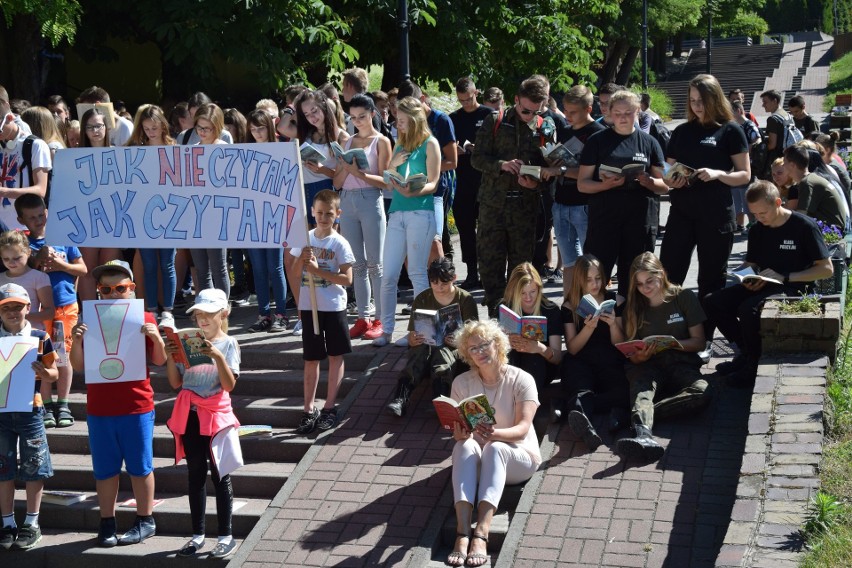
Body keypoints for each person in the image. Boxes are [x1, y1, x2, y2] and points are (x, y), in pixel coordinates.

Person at [69, 260, 168, 547]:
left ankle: (145, 520)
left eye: (119, 288)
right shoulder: (89, 321)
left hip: (137, 406)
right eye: (105, 289)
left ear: (132, 289)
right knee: (105, 470)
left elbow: (160, 360)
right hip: (100, 409)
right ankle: (107, 523)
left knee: (141, 467)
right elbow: (79, 366)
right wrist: (76, 341)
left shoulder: (145, 318)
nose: (112, 294)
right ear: (98, 291)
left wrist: (156, 338)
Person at [705, 181, 833, 385]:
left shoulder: (804, 226)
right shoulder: (757, 229)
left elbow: (826, 269)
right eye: (754, 214)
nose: (758, 218)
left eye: (762, 213)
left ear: (778, 203)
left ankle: (753, 365)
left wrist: (786, 277)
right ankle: (746, 353)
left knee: (749, 310)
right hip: (763, 284)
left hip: (794, 287)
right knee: (713, 301)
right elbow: (751, 263)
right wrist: (746, 277)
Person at [446, 319, 540, 567]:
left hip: (519, 456)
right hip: (480, 455)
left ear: (497, 344)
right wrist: (460, 435)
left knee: (496, 447)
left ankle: (482, 533)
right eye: (473, 349)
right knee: (462, 446)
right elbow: (464, 432)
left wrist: (493, 435)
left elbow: (522, 430)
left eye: (484, 345)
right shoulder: (461, 383)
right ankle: (463, 532)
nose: (479, 352)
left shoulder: (522, 379)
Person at [661, 74, 750, 326]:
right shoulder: (681, 131)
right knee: (670, 271)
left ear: (714, 99)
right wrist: (672, 180)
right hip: (682, 213)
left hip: (716, 215)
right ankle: (673, 326)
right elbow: (668, 173)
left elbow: (744, 174)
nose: (697, 106)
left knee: (711, 278)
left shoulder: (730, 130)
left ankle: (707, 335)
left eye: (701, 100)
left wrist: (719, 174)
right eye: (692, 100)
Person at [164, 289, 242, 560]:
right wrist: (170, 356)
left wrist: (216, 356)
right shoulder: (189, 341)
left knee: (221, 476)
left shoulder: (229, 343)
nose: (203, 319)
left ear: (223, 313)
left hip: (217, 416)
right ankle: (198, 535)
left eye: (208, 314)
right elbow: (175, 383)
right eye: (198, 314)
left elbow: (230, 385)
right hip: (191, 415)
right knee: (195, 474)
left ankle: (226, 536)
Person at [471, 75, 554, 315]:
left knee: (521, 271)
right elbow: (477, 159)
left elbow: (550, 169)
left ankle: (519, 321)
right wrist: (502, 164)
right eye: (526, 110)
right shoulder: (494, 120)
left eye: (536, 112)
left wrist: (534, 183)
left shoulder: (545, 126)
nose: (530, 116)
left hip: (524, 209)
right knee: (490, 266)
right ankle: (496, 319)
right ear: (516, 100)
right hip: (492, 207)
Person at [616, 253, 710, 462]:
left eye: (649, 281)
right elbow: (633, 357)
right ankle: (643, 436)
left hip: (680, 361)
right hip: (649, 364)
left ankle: (637, 416)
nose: (645, 288)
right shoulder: (634, 306)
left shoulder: (683, 296)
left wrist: (675, 343)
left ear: (662, 273)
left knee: (702, 392)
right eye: (639, 284)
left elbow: (699, 342)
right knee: (642, 390)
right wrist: (640, 356)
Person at [578, 90, 669, 298]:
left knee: (635, 276)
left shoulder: (649, 142)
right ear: (609, 112)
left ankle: (630, 324)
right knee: (596, 274)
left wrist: (649, 181)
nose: (622, 117)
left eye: (628, 112)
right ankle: (592, 324)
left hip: (639, 218)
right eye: (617, 113)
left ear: (637, 112)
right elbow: (582, 184)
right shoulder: (597, 141)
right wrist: (605, 185)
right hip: (605, 217)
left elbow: (664, 185)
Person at [373, 96, 441, 346]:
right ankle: (387, 331)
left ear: (414, 120)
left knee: (416, 273)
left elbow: (434, 183)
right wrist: (392, 165)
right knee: (388, 274)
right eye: (396, 120)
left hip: (420, 213)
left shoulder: (430, 143)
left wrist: (413, 190)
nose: (397, 125)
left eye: (401, 121)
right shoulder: (400, 144)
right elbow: (388, 178)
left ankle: (421, 334)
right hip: (397, 213)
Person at [18, 194, 87, 431]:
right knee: (43, 356)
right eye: (32, 217)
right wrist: (38, 258)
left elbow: (82, 269)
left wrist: (61, 265)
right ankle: (45, 404)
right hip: (39, 309)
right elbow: (25, 270)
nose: (38, 220)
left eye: (41, 214)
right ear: (21, 219)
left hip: (65, 306)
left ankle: (63, 403)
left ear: (47, 212)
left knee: (63, 355)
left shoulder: (63, 238)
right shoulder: (24, 244)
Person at [290, 190, 355, 434]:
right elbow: (296, 274)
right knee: (311, 357)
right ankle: (308, 409)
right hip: (310, 306)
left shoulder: (340, 243)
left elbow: (347, 279)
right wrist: (302, 261)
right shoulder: (305, 239)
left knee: (336, 355)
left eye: (329, 213)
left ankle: (329, 406)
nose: (323, 218)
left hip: (333, 306)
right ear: (313, 213)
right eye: (319, 213)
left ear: (338, 214)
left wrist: (318, 271)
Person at [0, 283, 58, 551]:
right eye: (6, 308)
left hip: (31, 409)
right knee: (3, 468)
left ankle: (32, 523)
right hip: (1, 412)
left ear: (28, 307)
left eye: (17, 306)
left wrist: (46, 375)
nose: (12, 312)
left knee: (34, 464)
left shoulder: (39, 336)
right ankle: (7, 522)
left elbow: (54, 371)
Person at [331, 94, 392, 341]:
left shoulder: (382, 141)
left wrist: (359, 172)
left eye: (362, 117)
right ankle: (363, 317)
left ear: (372, 115)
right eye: (353, 118)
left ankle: (381, 318)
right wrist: (346, 169)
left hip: (370, 199)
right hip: (347, 200)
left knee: (375, 264)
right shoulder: (347, 142)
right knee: (356, 264)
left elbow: (387, 183)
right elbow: (335, 182)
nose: (358, 122)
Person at [386, 257, 479, 416]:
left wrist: (459, 341)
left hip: (455, 352)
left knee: (442, 352)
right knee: (420, 349)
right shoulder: (423, 298)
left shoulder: (465, 299)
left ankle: (440, 400)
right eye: (434, 283)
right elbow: (411, 335)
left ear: (454, 279)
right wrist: (413, 339)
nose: (439, 288)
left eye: (444, 284)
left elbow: (474, 337)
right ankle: (400, 399)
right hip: (426, 348)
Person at [541, 85, 606, 297]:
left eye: (572, 112)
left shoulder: (599, 135)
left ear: (588, 109)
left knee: (592, 263)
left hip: (586, 205)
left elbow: (594, 174)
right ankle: (569, 307)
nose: (567, 116)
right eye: (565, 111)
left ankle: (594, 305)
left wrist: (560, 169)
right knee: (569, 263)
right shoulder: (565, 130)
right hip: (560, 203)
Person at [561, 255, 628, 450]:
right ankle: (586, 427)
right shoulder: (570, 305)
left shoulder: (616, 300)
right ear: (580, 280)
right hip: (582, 359)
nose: (595, 284)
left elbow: (621, 343)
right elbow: (573, 348)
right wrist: (588, 328)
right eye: (589, 280)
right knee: (580, 387)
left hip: (609, 357)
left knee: (624, 389)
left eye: (598, 278)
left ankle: (578, 407)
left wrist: (613, 324)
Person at [125, 105, 178, 331]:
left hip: (169, 213)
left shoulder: (175, 149)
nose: (151, 132)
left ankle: (168, 310)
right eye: (146, 128)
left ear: (163, 125)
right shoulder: (136, 150)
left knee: (167, 263)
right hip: (142, 214)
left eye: (154, 127)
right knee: (147, 264)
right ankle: (152, 310)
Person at [397, 80, 458, 263]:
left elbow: (453, 162)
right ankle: (423, 286)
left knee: (434, 240)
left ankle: (444, 283)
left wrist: (425, 165)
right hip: (411, 189)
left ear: (422, 99)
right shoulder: (406, 123)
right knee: (410, 243)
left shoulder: (441, 120)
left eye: (413, 105)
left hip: (436, 189)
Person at [243, 109, 290, 334]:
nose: (256, 133)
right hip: (252, 216)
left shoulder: (281, 148)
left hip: (274, 216)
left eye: (260, 128)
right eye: (252, 129)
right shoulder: (245, 151)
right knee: (259, 269)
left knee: (275, 267)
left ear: (269, 127)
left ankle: (281, 314)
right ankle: (264, 314)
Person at [450, 77, 493, 291]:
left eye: (468, 99)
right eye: (461, 100)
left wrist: (480, 149)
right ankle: (471, 273)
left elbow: (497, 148)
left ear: (476, 92)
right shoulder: (454, 118)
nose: (465, 104)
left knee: (487, 229)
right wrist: (454, 151)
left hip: (485, 181)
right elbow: (445, 148)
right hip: (463, 182)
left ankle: (489, 272)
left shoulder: (488, 115)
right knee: (466, 230)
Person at [77, 107, 122, 301]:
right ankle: (89, 314)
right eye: (89, 127)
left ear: (106, 127)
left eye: (99, 126)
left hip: (113, 219)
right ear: (84, 131)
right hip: (86, 220)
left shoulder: (119, 155)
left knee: (110, 271)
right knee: (87, 270)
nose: (95, 130)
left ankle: (110, 315)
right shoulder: (75, 157)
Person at [501, 263, 562, 396]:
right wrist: (506, 341)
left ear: (539, 289)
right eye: (522, 293)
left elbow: (557, 357)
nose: (528, 298)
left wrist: (540, 348)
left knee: (532, 356)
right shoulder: (505, 308)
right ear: (514, 291)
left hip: (541, 365)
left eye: (532, 292)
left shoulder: (551, 310)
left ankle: (527, 405)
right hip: (513, 361)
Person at [190, 103, 231, 299]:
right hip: (195, 215)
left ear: (217, 127)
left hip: (217, 214)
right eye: (199, 127)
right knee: (201, 269)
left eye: (207, 128)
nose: (202, 132)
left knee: (218, 267)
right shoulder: (192, 149)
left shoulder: (223, 148)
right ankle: (206, 307)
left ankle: (222, 311)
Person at [294, 89, 348, 227]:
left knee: (326, 238)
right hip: (304, 189)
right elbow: (282, 126)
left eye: (314, 111)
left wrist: (322, 169)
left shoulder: (342, 137)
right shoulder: (306, 133)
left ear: (324, 106)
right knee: (309, 240)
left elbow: (344, 176)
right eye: (306, 114)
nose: (312, 117)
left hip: (327, 190)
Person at [0, 103, 50, 231]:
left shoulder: (35, 145)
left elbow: (40, 190)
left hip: (25, 229)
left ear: (9, 118)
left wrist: (3, 191)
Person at [783, 144, 847, 229]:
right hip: (833, 228)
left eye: (784, 163)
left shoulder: (807, 182)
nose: (783, 166)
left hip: (830, 232)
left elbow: (802, 216)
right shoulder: (812, 178)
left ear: (792, 165)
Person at [731, 100, 762, 231]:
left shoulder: (749, 125)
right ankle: (739, 224)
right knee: (736, 198)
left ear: (738, 111)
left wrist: (746, 153)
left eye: (730, 112)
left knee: (746, 198)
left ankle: (753, 225)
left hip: (746, 167)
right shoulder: (734, 126)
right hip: (734, 167)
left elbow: (757, 140)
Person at [760, 89, 793, 176]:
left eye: (765, 102)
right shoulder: (787, 115)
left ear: (774, 101)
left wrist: (760, 149)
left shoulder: (773, 119)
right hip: (789, 157)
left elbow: (772, 145)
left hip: (777, 159)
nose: (763, 105)